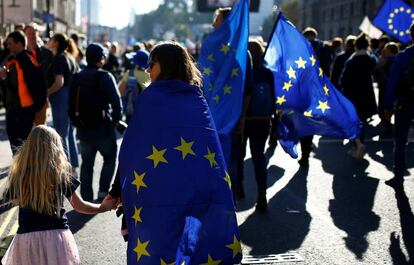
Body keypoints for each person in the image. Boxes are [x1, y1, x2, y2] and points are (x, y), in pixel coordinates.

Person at [109, 41, 242, 264]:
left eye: (152, 63)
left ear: (167, 65)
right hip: (194, 183)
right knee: (193, 241)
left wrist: (116, 190)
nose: (148, 69)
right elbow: (135, 146)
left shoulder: (151, 98)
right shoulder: (195, 96)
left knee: (161, 244)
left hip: (156, 187)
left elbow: (130, 149)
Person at [1, 125, 115, 265]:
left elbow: (14, 199)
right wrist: (102, 207)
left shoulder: (19, 175)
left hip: (27, 240)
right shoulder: (60, 175)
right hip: (55, 238)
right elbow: (80, 206)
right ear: (55, 148)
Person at [69, 43, 122, 202]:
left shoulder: (77, 77)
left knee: (87, 163)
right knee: (110, 158)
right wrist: (115, 121)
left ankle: (86, 197)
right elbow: (116, 103)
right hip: (104, 128)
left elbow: (70, 106)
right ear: (101, 59)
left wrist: (78, 123)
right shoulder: (105, 76)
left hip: (84, 130)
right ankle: (103, 192)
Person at [211, 7, 254, 199]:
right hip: (210, 119)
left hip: (231, 119)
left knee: (232, 160)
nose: (213, 24)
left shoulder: (242, 54)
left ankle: (230, 203)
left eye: (217, 19)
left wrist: (242, 117)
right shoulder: (209, 50)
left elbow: (248, 89)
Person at [237, 39, 275, 210]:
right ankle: (262, 192)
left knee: (239, 155)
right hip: (263, 119)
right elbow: (274, 97)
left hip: (243, 119)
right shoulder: (267, 73)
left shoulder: (242, 72)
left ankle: (239, 189)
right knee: (259, 156)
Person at [0, 31, 47, 154]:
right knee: (21, 146)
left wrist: (4, 77)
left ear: (19, 43)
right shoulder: (24, 59)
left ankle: (22, 171)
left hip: (20, 111)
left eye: (10, 44)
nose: (8, 46)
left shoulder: (22, 61)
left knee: (19, 147)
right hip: (20, 109)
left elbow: (15, 86)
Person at [384, 24, 414, 188]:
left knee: (401, 141)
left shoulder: (403, 56)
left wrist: (388, 105)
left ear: (410, 35)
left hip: (406, 101)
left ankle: (398, 176)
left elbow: (393, 83)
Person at [340, 33, 377, 160]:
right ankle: (359, 143)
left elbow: (343, 79)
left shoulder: (352, 60)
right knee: (362, 121)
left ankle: (356, 144)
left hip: (352, 94)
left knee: (352, 120)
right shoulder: (371, 59)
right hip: (366, 93)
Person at [47, 33, 80, 173]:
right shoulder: (70, 57)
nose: (49, 41)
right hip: (71, 97)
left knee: (61, 134)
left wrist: (47, 92)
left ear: (56, 43)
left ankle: (65, 169)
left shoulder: (59, 58)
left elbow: (59, 82)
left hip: (61, 97)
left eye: (51, 39)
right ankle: (73, 166)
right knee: (69, 133)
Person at [23, 23, 53, 126]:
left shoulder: (46, 53)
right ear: (25, 35)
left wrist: (48, 92)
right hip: (25, 98)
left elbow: (51, 74)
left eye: (34, 33)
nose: (32, 36)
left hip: (41, 98)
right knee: (26, 132)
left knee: (41, 130)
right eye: (29, 33)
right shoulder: (20, 54)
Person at [374, 42, 399, 137]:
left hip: (385, 87)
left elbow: (376, 69)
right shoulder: (399, 60)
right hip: (397, 87)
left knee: (383, 108)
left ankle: (388, 126)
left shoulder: (385, 61)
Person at [118, 50, 150, 123]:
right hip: (146, 111)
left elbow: (120, 90)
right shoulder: (150, 76)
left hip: (131, 110)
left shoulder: (129, 74)